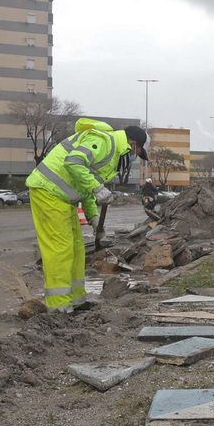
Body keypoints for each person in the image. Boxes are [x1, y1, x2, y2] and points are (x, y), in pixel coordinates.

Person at [26, 122, 146, 312]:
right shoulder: (104, 142)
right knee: (60, 250)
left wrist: (94, 219)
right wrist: (98, 188)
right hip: (47, 191)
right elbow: (74, 162)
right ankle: (59, 310)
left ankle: (76, 302)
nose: (134, 158)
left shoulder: (112, 157)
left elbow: (85, 187)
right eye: (136, 153)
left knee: (77, 249)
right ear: (132, 144)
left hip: (64, 198)